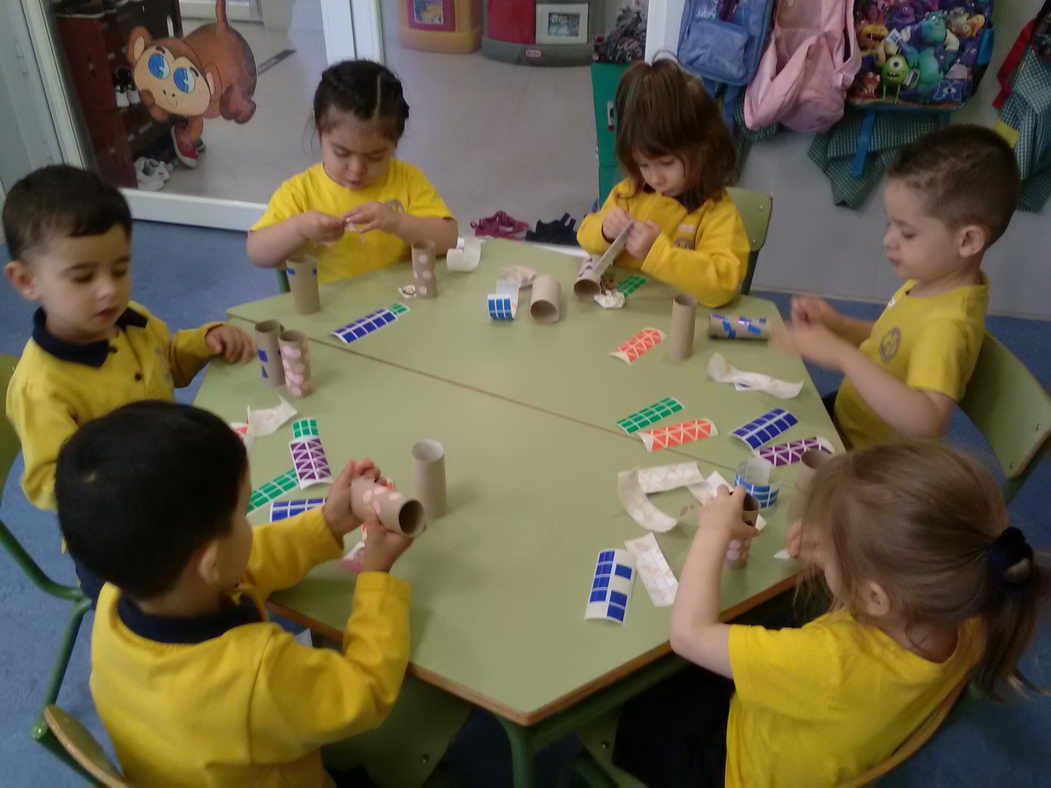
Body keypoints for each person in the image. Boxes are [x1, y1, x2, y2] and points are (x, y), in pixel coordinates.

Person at [614, 440, 1046, 786]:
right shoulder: (972, 603)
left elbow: (688, 634)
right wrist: (840, 552)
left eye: (837, 555)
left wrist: (712, 529)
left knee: (641, 698)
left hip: (738, 768)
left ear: (877, 599)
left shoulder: (831, 664)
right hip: (827, 729)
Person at [56, 401, 414, 785]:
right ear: (210, 563)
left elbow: (236, 568)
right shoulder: (258, 676)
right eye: (243, 513)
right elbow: (366, 692)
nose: (247, 522)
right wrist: (377, 576)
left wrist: (326, 524)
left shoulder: (118, 596)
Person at [2, 165, 254, 520]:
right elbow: (47, 482)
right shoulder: (40, 388)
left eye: (119, 269)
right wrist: (120, 474)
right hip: (121, 528)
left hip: (171, 479)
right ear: (27, 280)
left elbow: (167, 361)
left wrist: (205, 340)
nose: (108, 290)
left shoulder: (131, 318)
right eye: (84, 276)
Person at [776, 125, 1021, 448]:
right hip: (846, 419)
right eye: (889, 223)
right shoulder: (931, 283)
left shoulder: (948, 325)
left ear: (968, 240)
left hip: (867, 462)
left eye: (907, 233)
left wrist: (842, 355)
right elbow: (895, 341)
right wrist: (840, 326)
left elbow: (928, 420)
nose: (887, 240)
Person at [247, 59, 457, 283]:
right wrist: (299, 228)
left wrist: (398, 223)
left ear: (395, 144)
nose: (356, 170)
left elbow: (449, 238)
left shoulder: (407, 179)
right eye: (341, 153)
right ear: (319, 134)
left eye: (375, 157)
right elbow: (257, 253)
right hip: (330, 311)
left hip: (401, 304)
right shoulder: (300, 192)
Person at [576, 58, 750, 306]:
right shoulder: (630, 193)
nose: (655, 178)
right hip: (624, 314)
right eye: (643, 165)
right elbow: (586, 236)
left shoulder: (715, 212)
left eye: (667, 164)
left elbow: (723, 285)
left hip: (679, 322)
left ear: (703, 149)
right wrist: (604, 229)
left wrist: (658, 253)